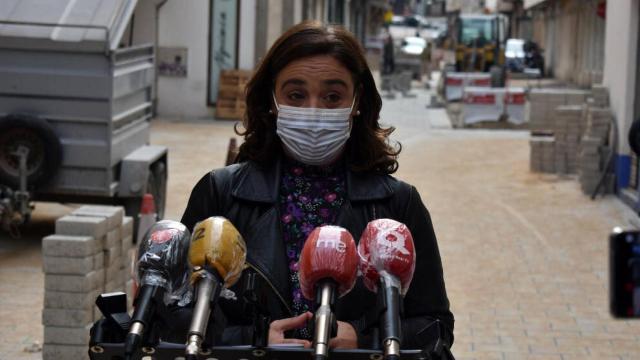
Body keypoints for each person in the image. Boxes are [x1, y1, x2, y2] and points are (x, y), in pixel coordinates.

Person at [180, 20, 454, 353]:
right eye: (296, 94)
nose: (314, 110)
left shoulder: (398, 204)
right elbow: (176, 312)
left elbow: (436, 326)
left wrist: (367, 340)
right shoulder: (220, 193)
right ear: (271, 99)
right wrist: (252, 341)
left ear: (357, 103)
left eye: (332, 96)